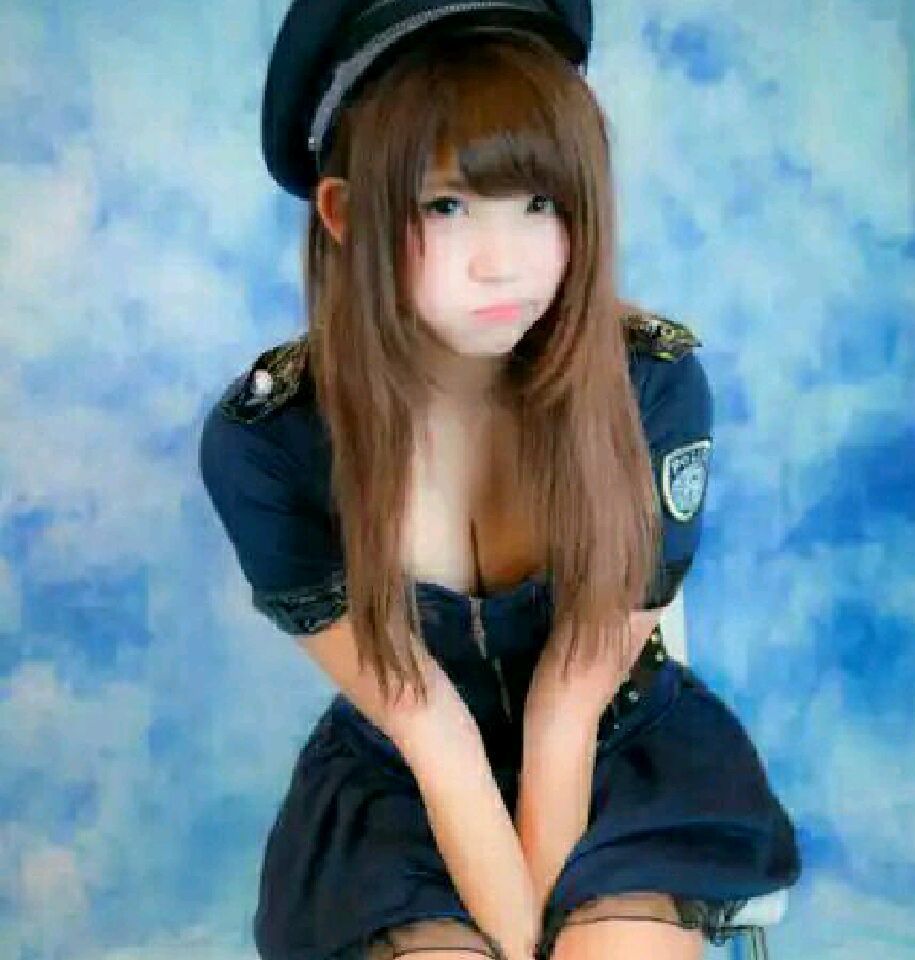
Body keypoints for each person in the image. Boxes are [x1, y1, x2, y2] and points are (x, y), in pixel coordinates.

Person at [198, 2, 801, 959]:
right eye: (445, 206)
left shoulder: (651, 386)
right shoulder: (271, 443)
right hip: (403, 782)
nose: (505, 263)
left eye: (540, 204)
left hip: (616, 747)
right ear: (345, 215)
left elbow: (569, 705)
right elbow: (431, 731)